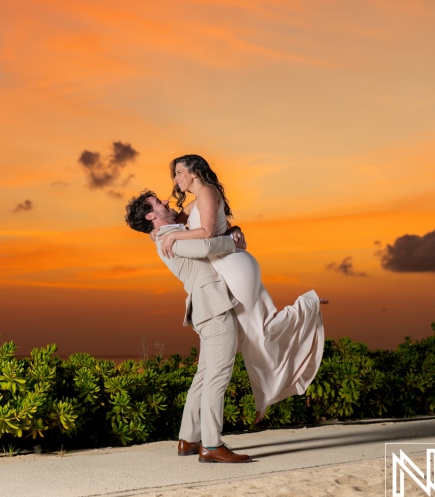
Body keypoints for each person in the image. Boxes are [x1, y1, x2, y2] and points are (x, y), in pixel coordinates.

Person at [160, 154, 327, 422]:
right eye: (175, 174)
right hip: (226, 265)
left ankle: (307, 306)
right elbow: (186, 224)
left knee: (256, 329)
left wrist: (173, 235)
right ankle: (265, 396)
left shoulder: (206, 190)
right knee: (250, 332)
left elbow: (205, 232)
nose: (175, 179)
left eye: (179, 172)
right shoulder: (195, 201)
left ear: (194, 171)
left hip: (234, 264)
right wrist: (170, 231)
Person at [125, 190, 252, 463]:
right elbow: (206, 247)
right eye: (159, 203)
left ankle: (189, 438)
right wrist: (232, 240)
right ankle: (212, 445)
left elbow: (203, 198)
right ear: (151, 216)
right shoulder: (167, 238)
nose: (167, 202)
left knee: (205, 375)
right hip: (214, 307)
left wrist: (234, 226)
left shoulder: (174, 230)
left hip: (206, 307)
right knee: (217, 377)